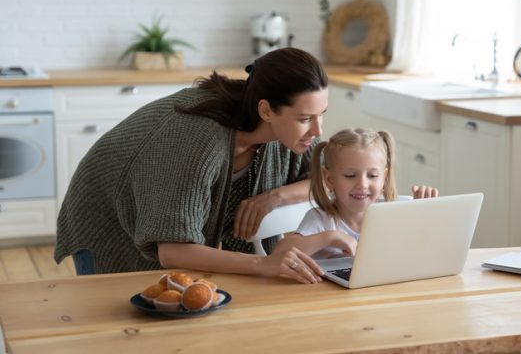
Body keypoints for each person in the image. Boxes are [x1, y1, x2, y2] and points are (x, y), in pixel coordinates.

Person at [54, 47, 327, 284]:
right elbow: (173, 251)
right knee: (117, 328)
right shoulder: (196, 140)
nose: (317, 129)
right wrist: (264, 264)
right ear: (266, 111)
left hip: (159, 219)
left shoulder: (289, 135)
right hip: (107, 220)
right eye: (305, 118)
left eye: (321, 115)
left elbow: (329, 177)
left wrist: (274, 197)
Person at [273, 128, 439, 259]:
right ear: (330, 179)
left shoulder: (392, 213)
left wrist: (423, 214)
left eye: (373, 176)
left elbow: (423, 250)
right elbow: (279, 253)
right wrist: (329, 238)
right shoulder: (321, 219)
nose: (362, 184)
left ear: (384, 178)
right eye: (350, 176)